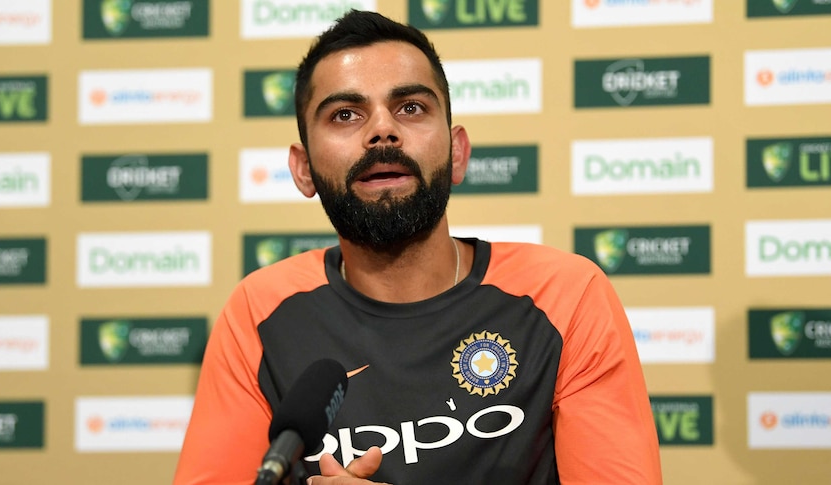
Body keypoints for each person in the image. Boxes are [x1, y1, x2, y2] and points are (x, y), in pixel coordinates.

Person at [173, 9, 662, 485]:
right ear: (303, 170)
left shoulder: (566, 297)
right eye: (346, 114)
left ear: (457, 153)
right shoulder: (259, 313)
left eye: (410, 107)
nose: (382, 130)